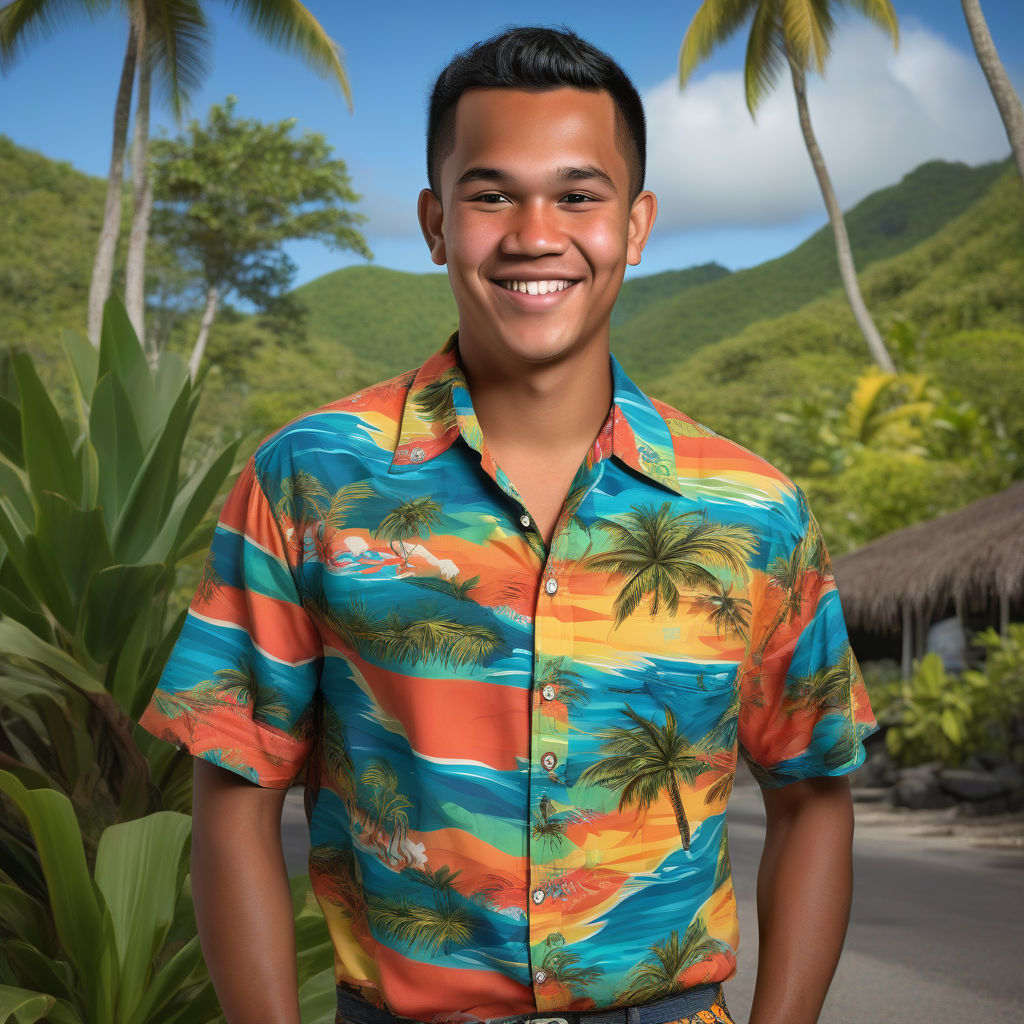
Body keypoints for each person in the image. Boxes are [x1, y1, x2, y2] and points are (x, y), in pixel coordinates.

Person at [141, 25, 876, 1024]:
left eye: (579, 194)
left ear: (638, 220)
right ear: (437, 223)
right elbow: (234, 795)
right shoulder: (306, 479)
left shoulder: (752, 509)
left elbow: (811, 791)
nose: (536, 233)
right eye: (492, 195)